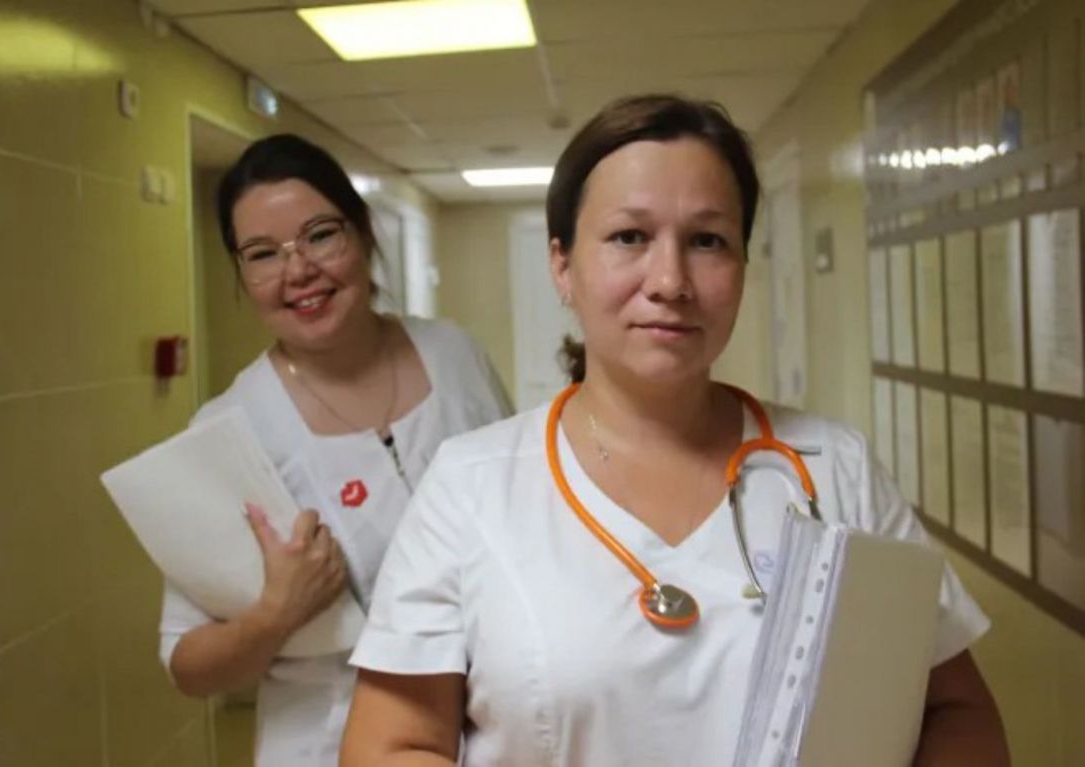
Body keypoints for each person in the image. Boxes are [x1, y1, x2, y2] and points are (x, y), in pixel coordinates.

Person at [340, 95, 1009, 766]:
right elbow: (389, 746)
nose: (670, 281)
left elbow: (956, 711)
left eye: (707, 241)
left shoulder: (834, 468)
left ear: (742, 265)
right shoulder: (471, 486)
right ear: (562, 264)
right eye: (629, 236)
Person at [158, 133, 512, 766]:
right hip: (328, 745)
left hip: (495, 731)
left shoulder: (454, 357)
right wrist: (275, 614)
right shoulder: (230, 431)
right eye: (262, 254)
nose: (298, 272)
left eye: (320, 236)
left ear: (363, 232)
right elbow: (187, 664)